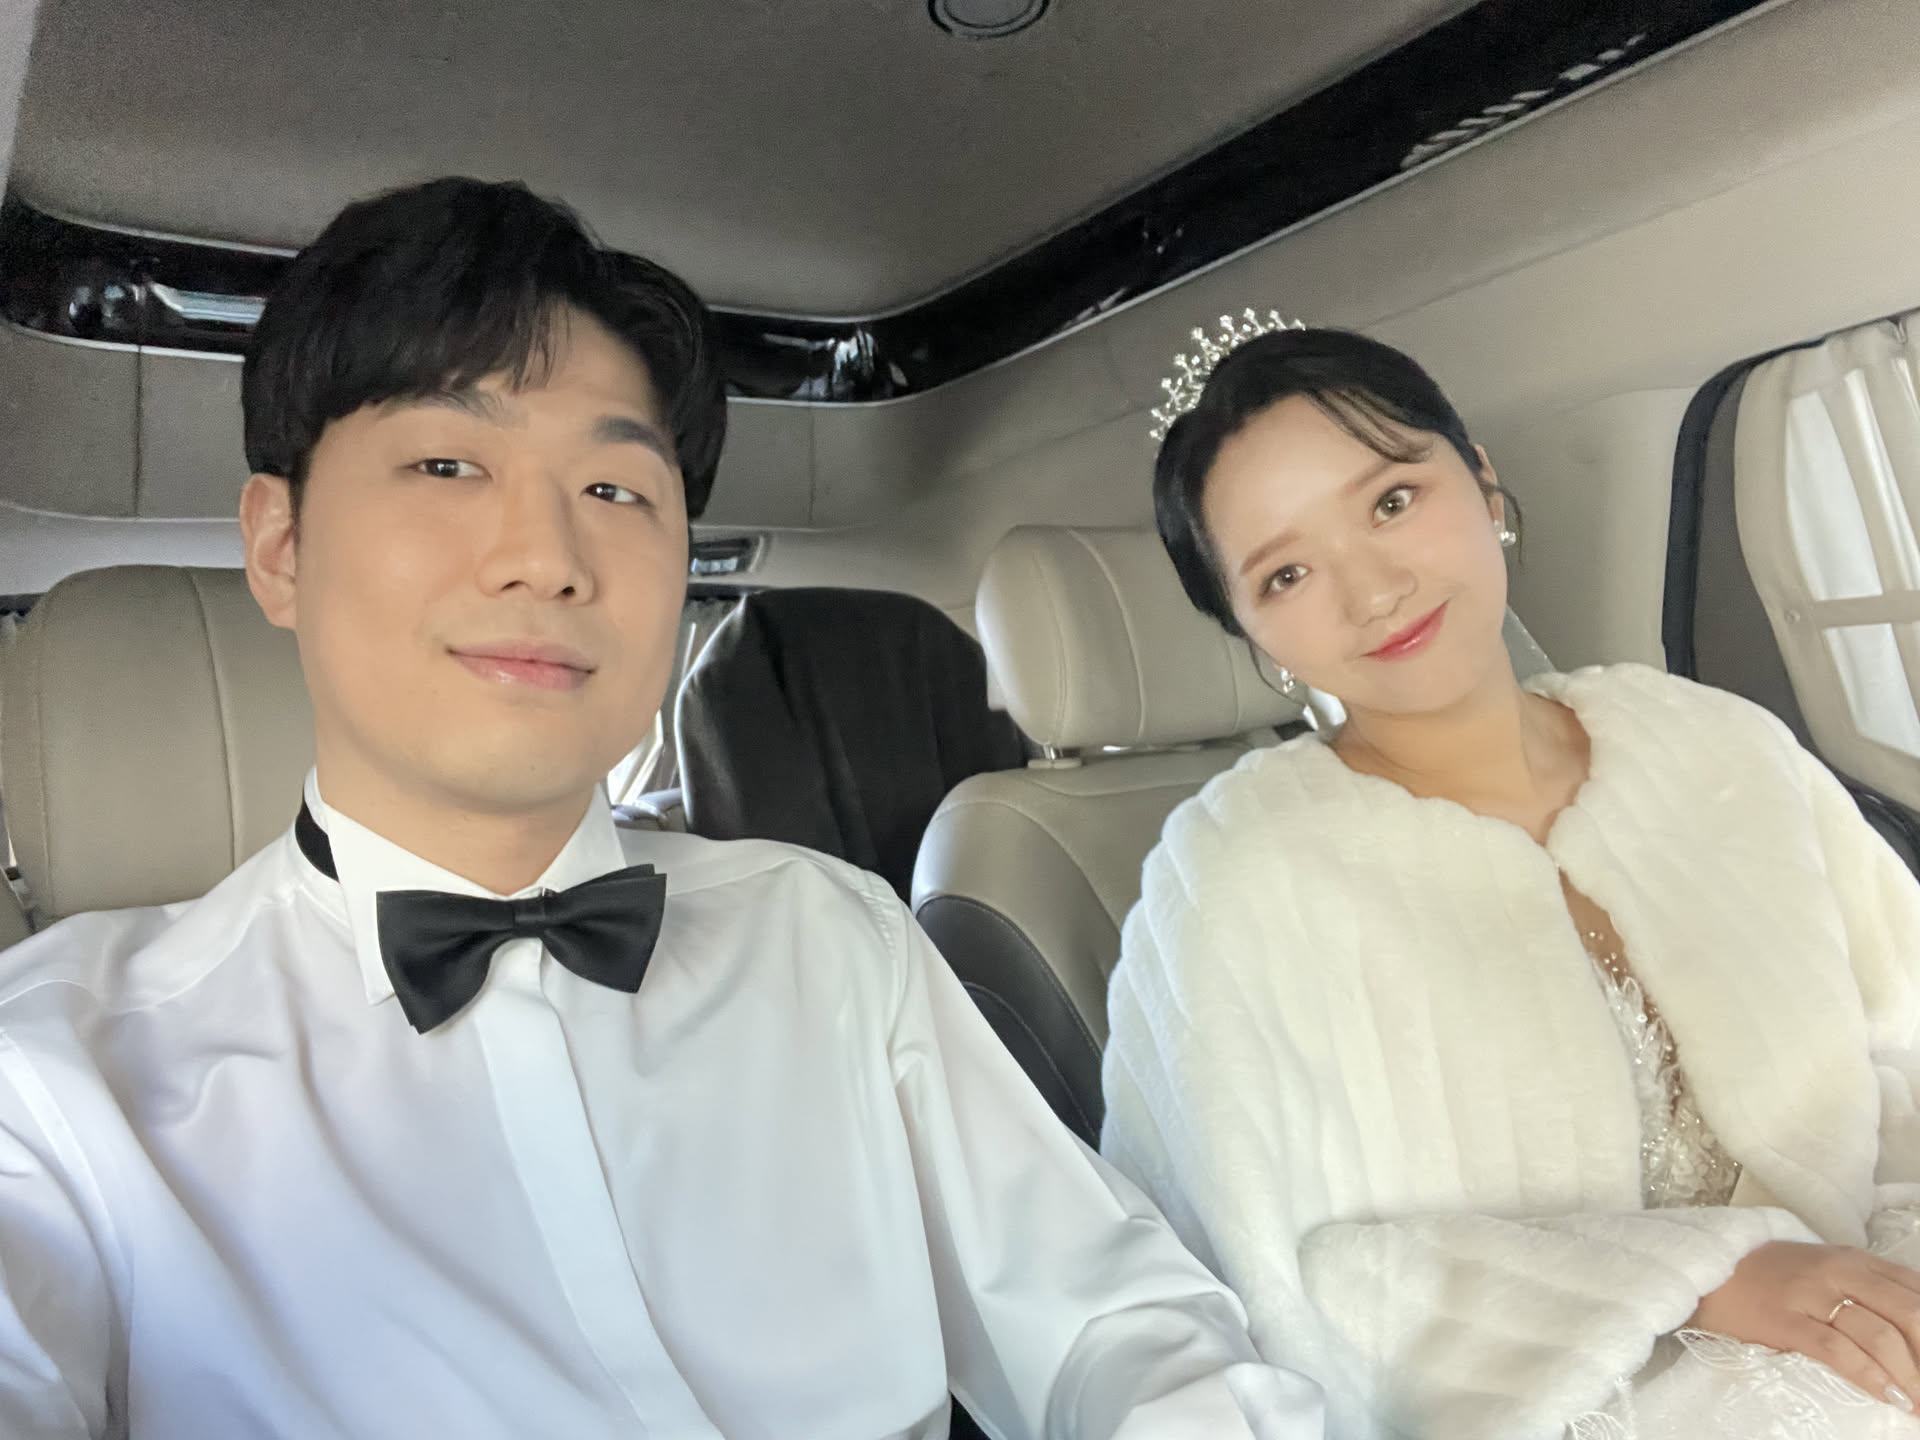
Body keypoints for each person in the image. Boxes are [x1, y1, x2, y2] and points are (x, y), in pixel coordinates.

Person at [0, 178, 1327, 1440]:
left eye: (614, 491)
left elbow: (1114, 1325)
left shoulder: (833, 938)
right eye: (448, 465)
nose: (546, 558)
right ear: (281, 547)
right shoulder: (57, 1081)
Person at [1101, 322, 1920, 1440]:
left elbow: (1902, 1039)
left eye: (1392, 501)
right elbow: (1279, 1281)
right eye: (1287, 573)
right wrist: (1705, 1276)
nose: (1373, 590)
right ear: (1254, 636)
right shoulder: (1235, 879)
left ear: (1484, 485)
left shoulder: (1716, 745)